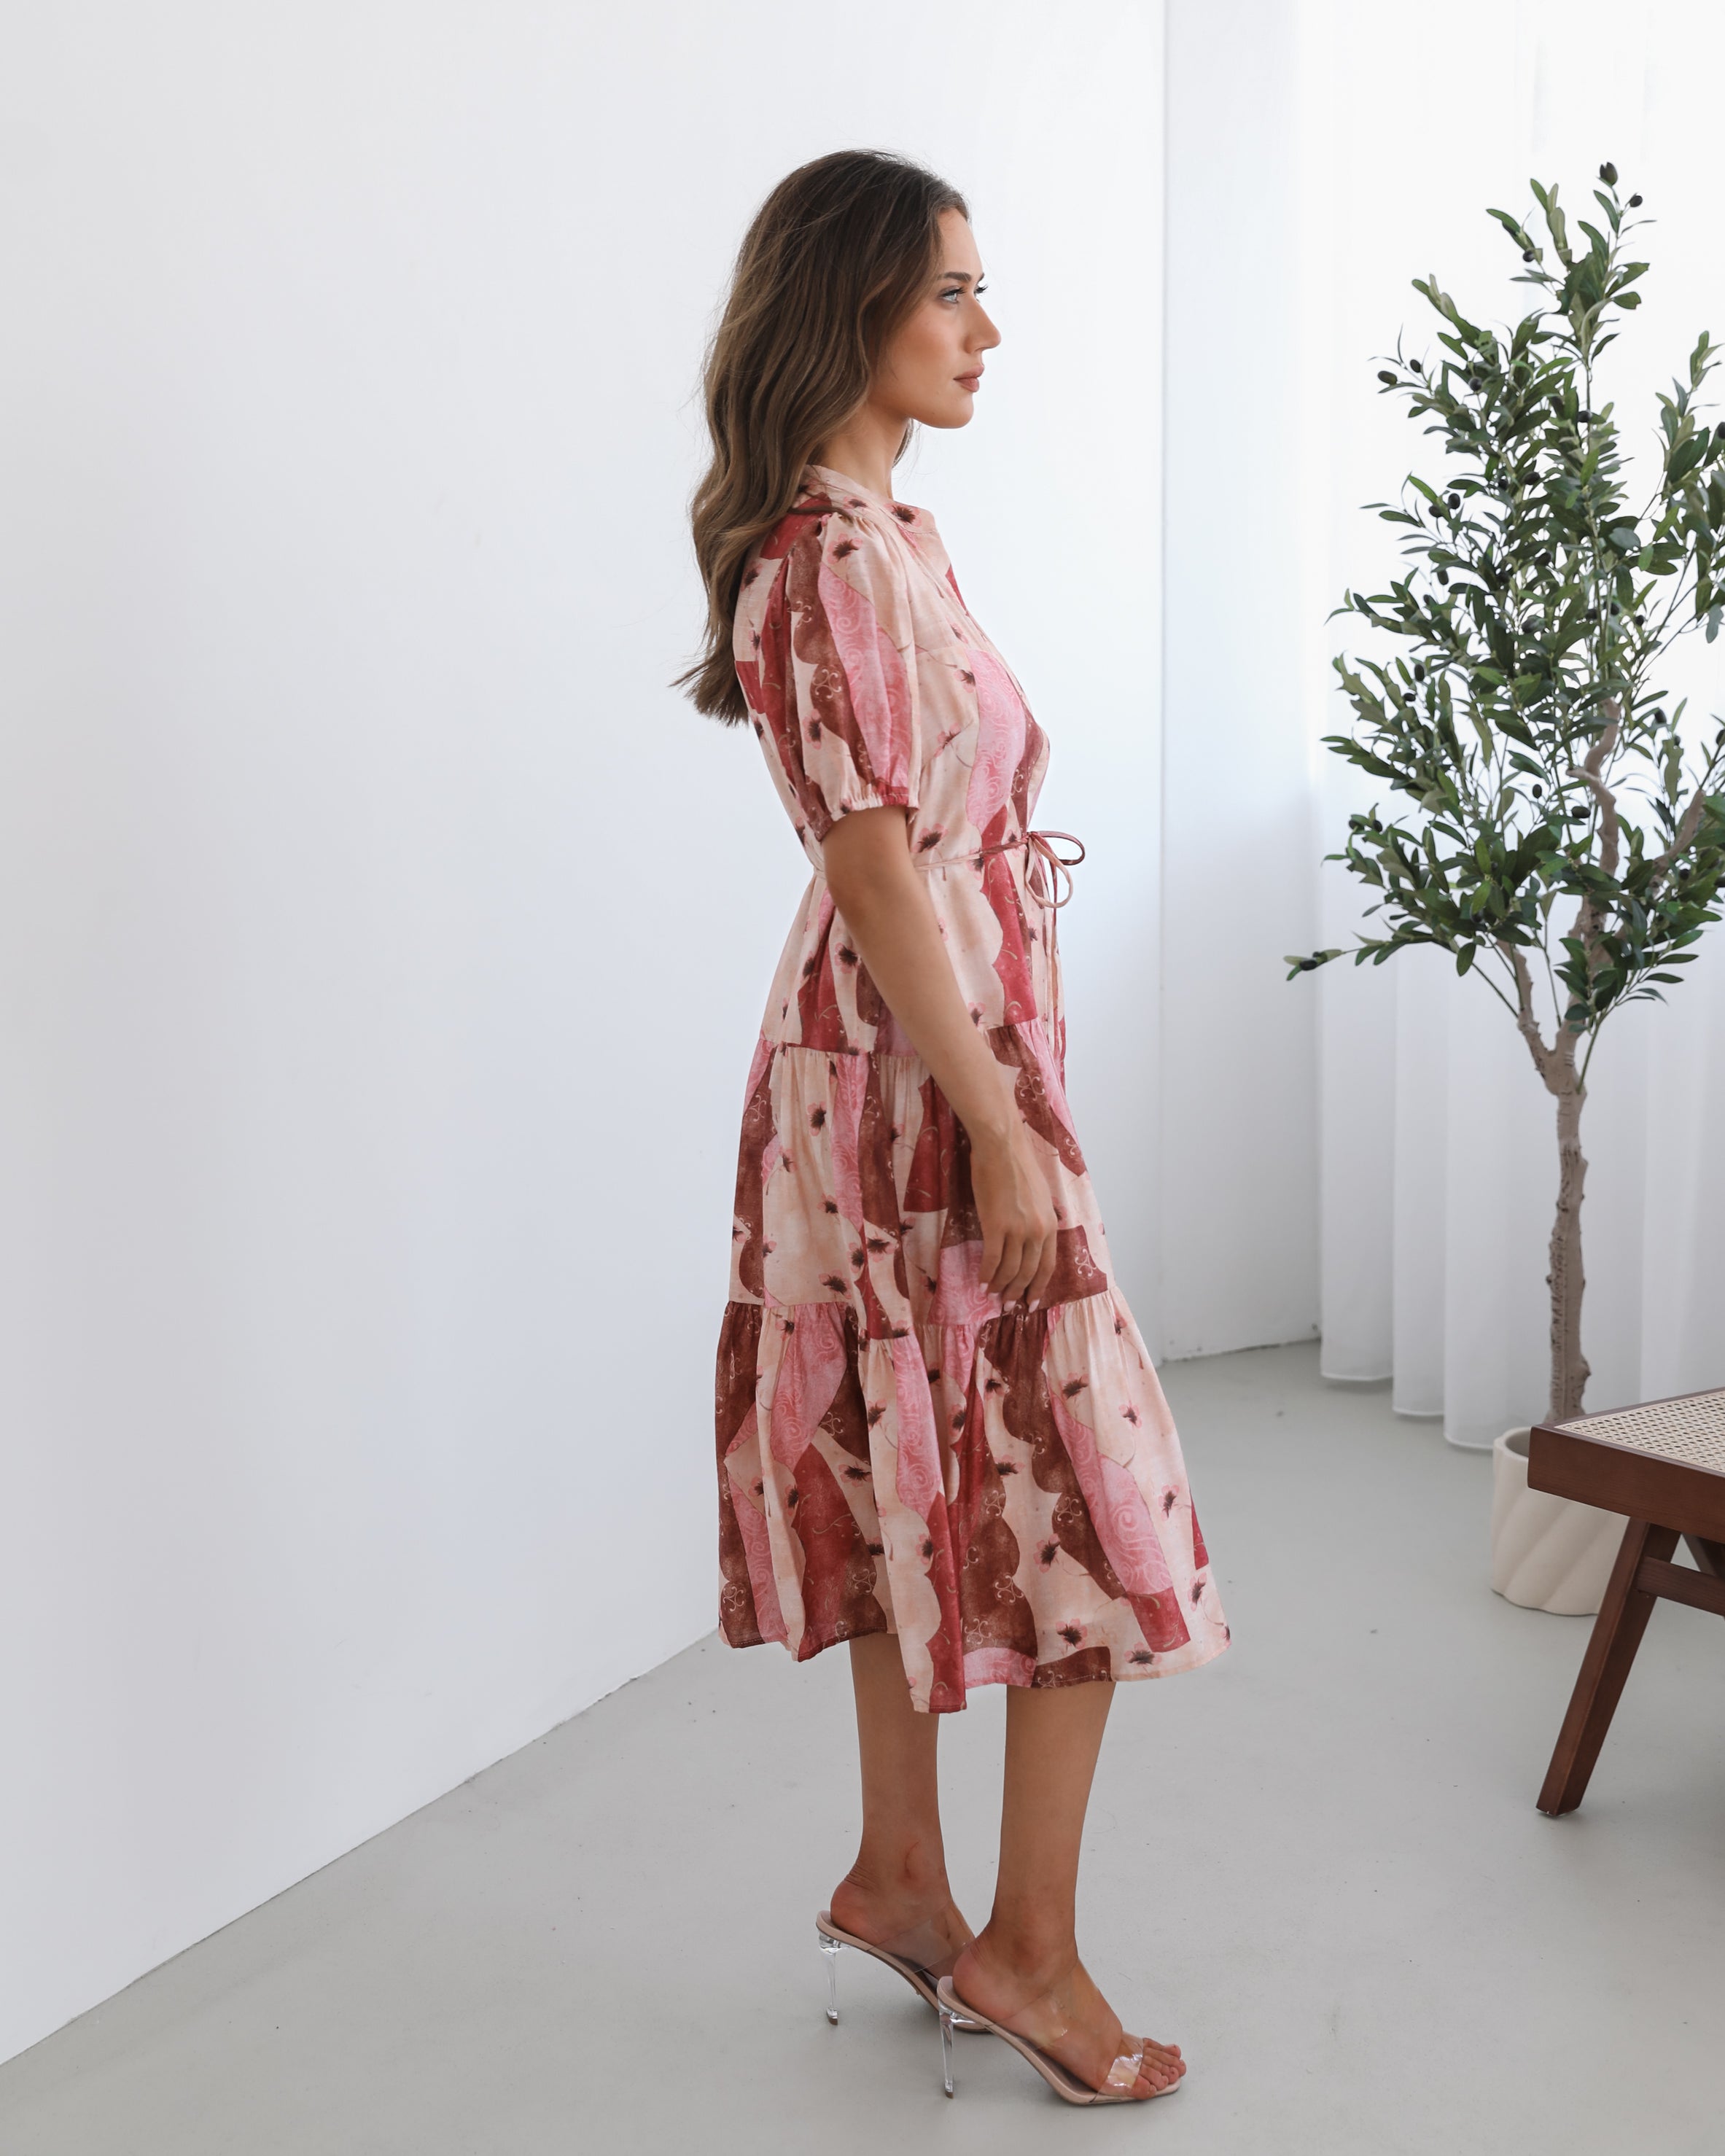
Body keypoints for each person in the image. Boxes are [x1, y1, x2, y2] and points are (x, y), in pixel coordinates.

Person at [680, 148, 1228, 2106]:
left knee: (931, 1468)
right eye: (953, 295)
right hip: (921, 1077)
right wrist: (1000, 1127)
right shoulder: (825, 560)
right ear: (852, 311)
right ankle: (1032, 1955)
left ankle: (906, 1878)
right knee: (1070, 1489)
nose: (987, 330)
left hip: (915, 1057)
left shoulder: (885, 534)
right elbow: (883, 872)